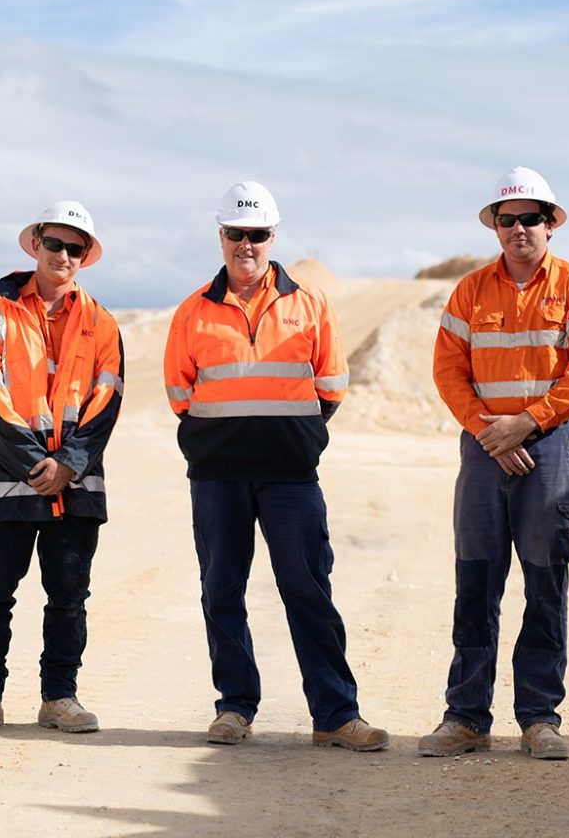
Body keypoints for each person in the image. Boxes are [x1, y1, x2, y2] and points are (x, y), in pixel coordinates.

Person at [164, 180, 388, 752]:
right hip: (218, 477)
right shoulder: (193, 312)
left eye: (257, 234)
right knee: (221, 591)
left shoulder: (310, 305)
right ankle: (235, 708)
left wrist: (297, 437)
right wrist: (225, 440)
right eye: (236, 234)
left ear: (272, 236)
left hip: (291, 476)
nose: (246, 244)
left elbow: (332, 388)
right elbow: (178, 393)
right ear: (221, 236)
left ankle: (336, 715)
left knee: (308, 589)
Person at [418, 167, 569, 760]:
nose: (520, 229)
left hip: (549, 444)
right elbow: (449, 369)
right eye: (509, 219)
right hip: (484, 446)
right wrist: (487, 430)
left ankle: (538, 718)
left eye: (532, 218)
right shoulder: (469, 292)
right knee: (475, 577)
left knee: (545, 578)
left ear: (551, 225)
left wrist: (526, 423)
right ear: (496, 227)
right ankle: (466, 717)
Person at [0, 200, 124, 734]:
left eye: (76, 248)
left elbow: (108, 398)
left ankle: (60, 698)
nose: (64, 255)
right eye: (55, 244)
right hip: (7, 482)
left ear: (85, 257)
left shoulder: (102, 323)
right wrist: (37, 466)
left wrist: (69, 465)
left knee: (69, 598)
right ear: (35, 246)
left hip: (74, 485)